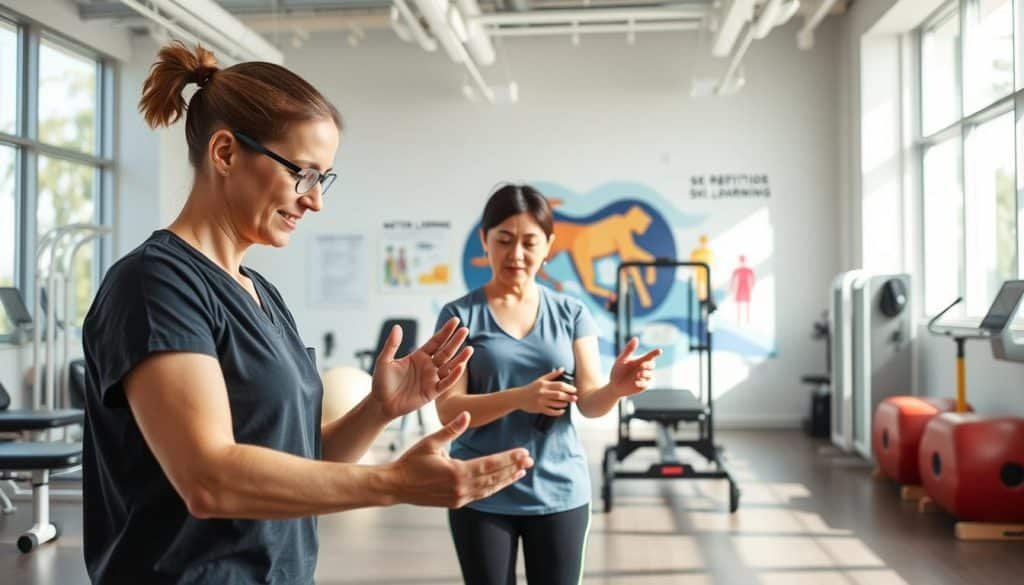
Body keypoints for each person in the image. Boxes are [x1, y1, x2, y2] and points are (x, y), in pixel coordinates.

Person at [81, 43, 532, 585]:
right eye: (304, 173)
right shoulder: (154, 285)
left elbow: (299, 456)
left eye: (324, 179)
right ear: (225, 153)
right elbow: (210, 479)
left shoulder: (261, 293)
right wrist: (393, 483)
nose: (315, 200)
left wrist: (379, 409)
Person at [434, 184, 663, 585]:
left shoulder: (572, 313)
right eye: (503, 240)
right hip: (479, 487)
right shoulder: (459, 315)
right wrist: (522, 397)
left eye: (529, 242)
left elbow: (590, 402)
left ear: (549, 247)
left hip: (559, 491)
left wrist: (615, 388)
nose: (516, 254)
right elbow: (449, 411)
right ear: (485, 240)